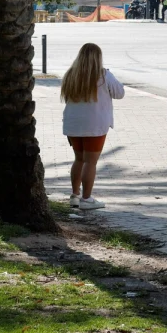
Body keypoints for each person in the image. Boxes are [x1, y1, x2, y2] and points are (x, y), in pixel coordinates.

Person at [61, 43, 125, 210]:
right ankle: (86, 199)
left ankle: (75, 195)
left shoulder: (70, 74)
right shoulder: (103, 75)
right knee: (91, 162)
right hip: (94, 125)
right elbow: (120, 93)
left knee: (79, 159)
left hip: (73, 123)